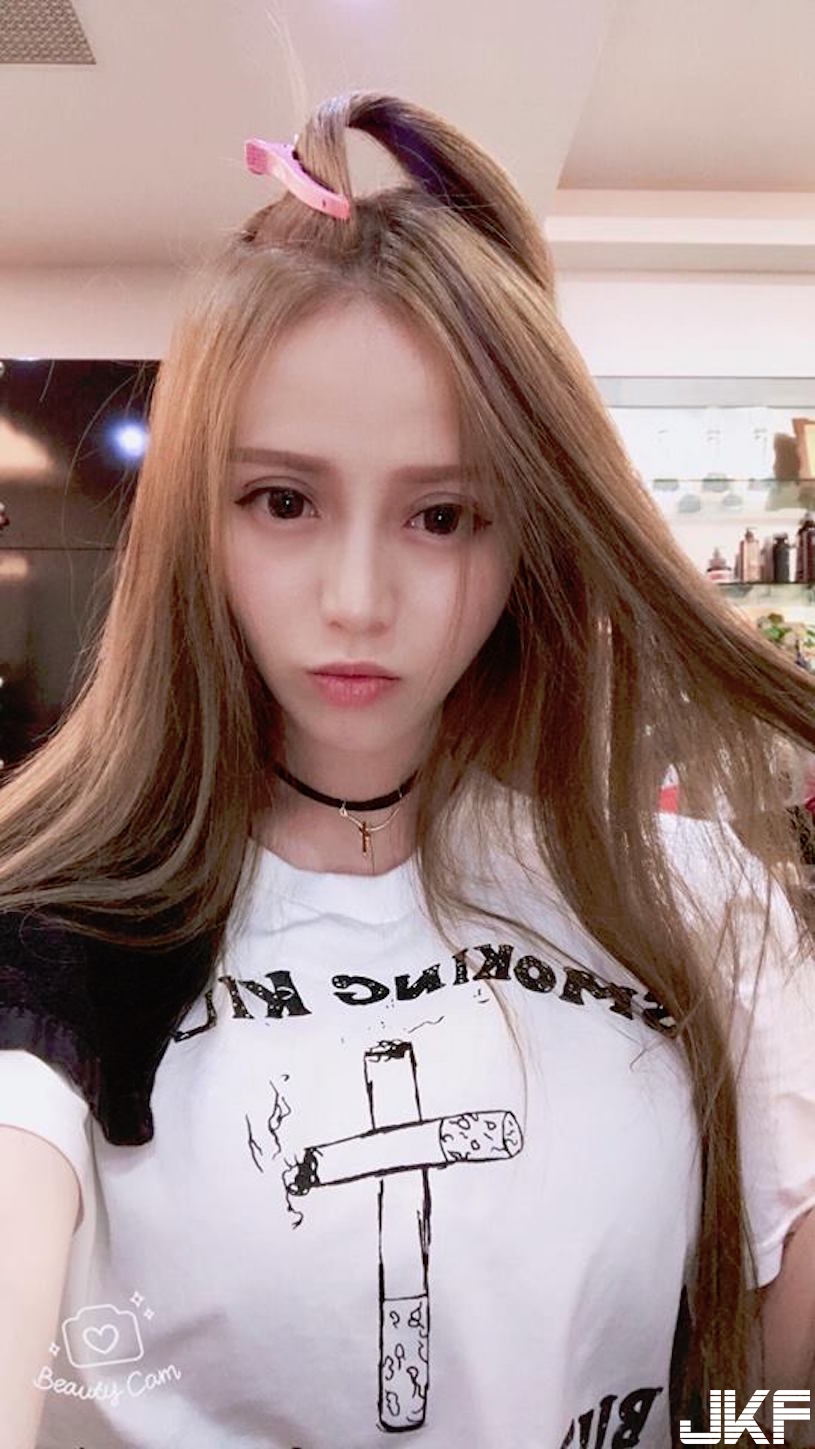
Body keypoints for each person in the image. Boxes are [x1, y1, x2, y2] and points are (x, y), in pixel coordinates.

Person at [0, 90, 814, 1449]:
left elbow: (776, 1404)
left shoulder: (697, 902)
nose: (358, 601)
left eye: (443, 514)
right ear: (198, 520)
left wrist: (732, 1430)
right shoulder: (59, 943)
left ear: (531, 532)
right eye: (283, 501)